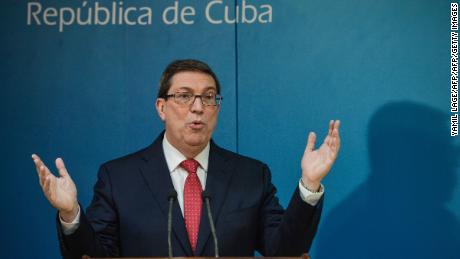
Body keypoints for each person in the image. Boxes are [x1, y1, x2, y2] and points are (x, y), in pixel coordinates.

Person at [32, 59, 341, 258]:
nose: (197, 107)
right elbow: (96, 255)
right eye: (184, 96)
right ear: (161, 107)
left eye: (208, 97)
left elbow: (283, 250)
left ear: (217, 108)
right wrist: (72, 214)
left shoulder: (251, 175)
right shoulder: (119, 178)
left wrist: (309, 185)